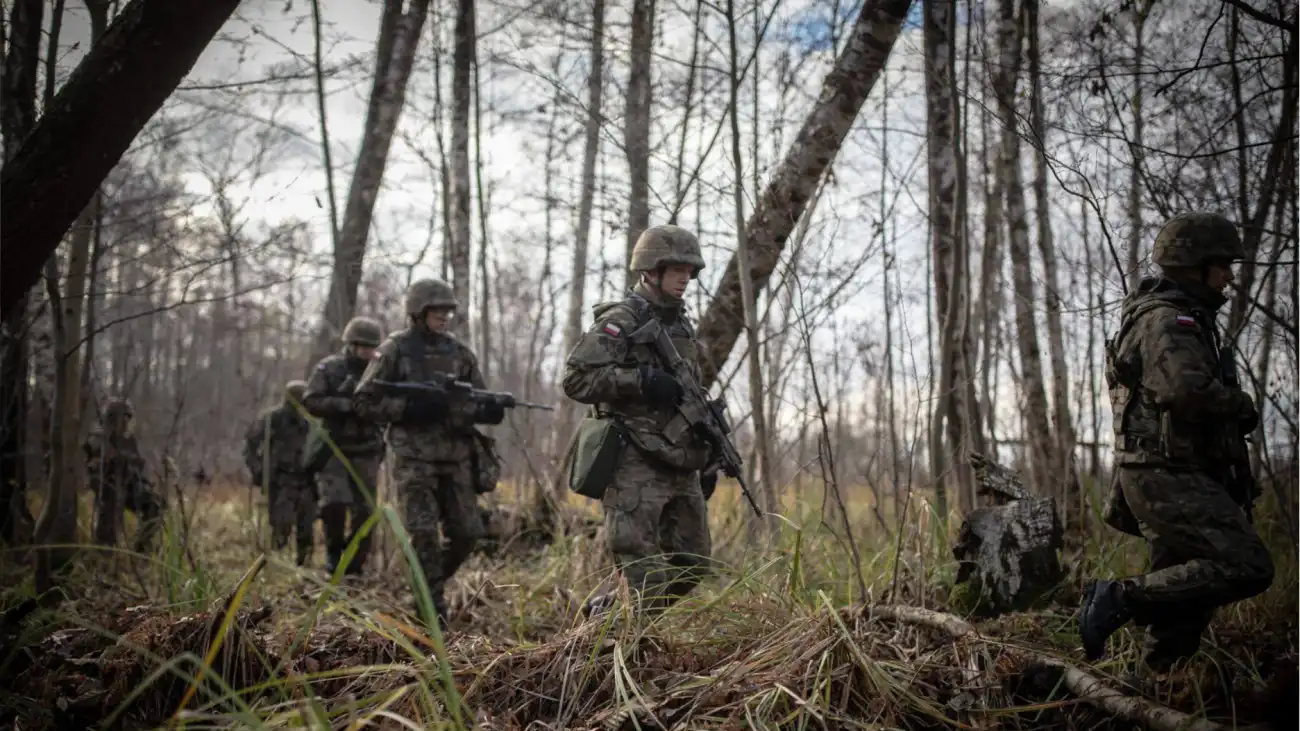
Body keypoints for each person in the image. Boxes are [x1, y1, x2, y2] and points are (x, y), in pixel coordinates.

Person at [1081, 211, 1274, 671]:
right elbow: (1186, 392)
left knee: (1182, 600)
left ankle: (1160, 683)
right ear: (1194, 264)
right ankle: (1118, 597)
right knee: (1248, 565)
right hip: (1167, 476)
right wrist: (1241, 405)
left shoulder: (1180, 317)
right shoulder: (1169, 321)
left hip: (1169, 471)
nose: (1229, 276)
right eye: (1223, 264)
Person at [561, 224, 718, 617]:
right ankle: (615, 642)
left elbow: (690, 392)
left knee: (693, 564)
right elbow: (575, 379)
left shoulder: (681, 324)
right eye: (677, 269)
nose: (685, 278)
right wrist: (640, 380)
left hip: (679, 461)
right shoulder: (621, 320)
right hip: (632, 458)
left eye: (689, 271)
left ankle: (610, 616)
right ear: (651, 269)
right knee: (643, 573)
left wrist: (708, 453)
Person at [353, 278, 503, 629]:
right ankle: (432, 610)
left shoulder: (460, 353)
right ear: (418, 312)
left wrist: (488, 409)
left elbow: (479, 398)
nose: (445, 317)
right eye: (438, 310)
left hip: (456, 458)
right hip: (413, 460)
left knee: (468, 533)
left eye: (448, 311)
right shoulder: (395, 350)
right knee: (422, 535)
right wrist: (409, 409)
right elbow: (364, 401)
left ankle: (426, 586)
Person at [304, 316, 387, 575]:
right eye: (363, 346)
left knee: (366, 512)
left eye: (372, 347)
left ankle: (354, 564)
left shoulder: (381, 370)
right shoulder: (329, 368)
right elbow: (311, 400)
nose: (368, 352)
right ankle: (333, 554)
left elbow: (391, 404)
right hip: (334, 448)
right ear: (351, 344)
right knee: (334, 503)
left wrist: (374, 409)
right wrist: (344, 405)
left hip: (367, 449)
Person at [244, 379, 317, 566]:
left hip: (307, 480)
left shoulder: (311, 421)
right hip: (281, 480)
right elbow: (251, 444)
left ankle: (304, 565)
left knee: (306, 528)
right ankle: (276, 564)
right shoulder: (272, 419)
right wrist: (258, 470)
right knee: (280, 525)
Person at [84, 398, 165, 553]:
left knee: (155, 505)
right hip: (109, 488)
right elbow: (93, 467)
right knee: (109, 513)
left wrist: (145, 484)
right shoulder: (98, 439)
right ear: (112, 419)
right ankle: (104, 552)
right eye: (122, 419)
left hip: (131, 487)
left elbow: (137, 465)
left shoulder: (129, 441)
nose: (125, 423)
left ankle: (141, 547)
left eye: (127, 419)